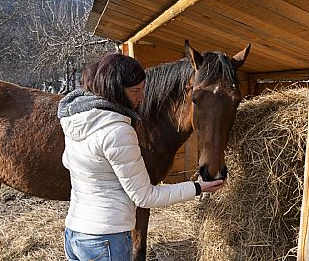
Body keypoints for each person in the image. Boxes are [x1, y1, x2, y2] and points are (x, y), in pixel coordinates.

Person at [57, 53, 224, 261]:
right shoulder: (118, 131)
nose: (142, 98)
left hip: (75, 235)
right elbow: (144, 197)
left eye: (142, 90)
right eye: (135, 91)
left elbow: (68, 162)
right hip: (107, 240)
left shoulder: (76, 120)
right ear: (115, 91)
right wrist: (198, 187)